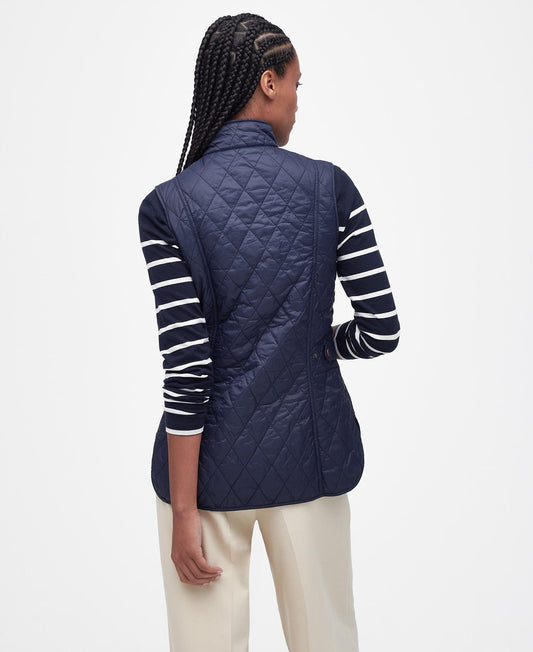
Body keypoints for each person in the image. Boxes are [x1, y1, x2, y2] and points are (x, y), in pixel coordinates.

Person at [138, 12, 400, 652]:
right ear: (268, 82)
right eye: (296, 84)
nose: (299, 102)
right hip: (310, 461)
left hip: (205, 477)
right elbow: (381, 328)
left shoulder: (168, 206)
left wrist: (183, 511)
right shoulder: (330, 187)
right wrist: (321, 345)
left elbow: (187, 364)